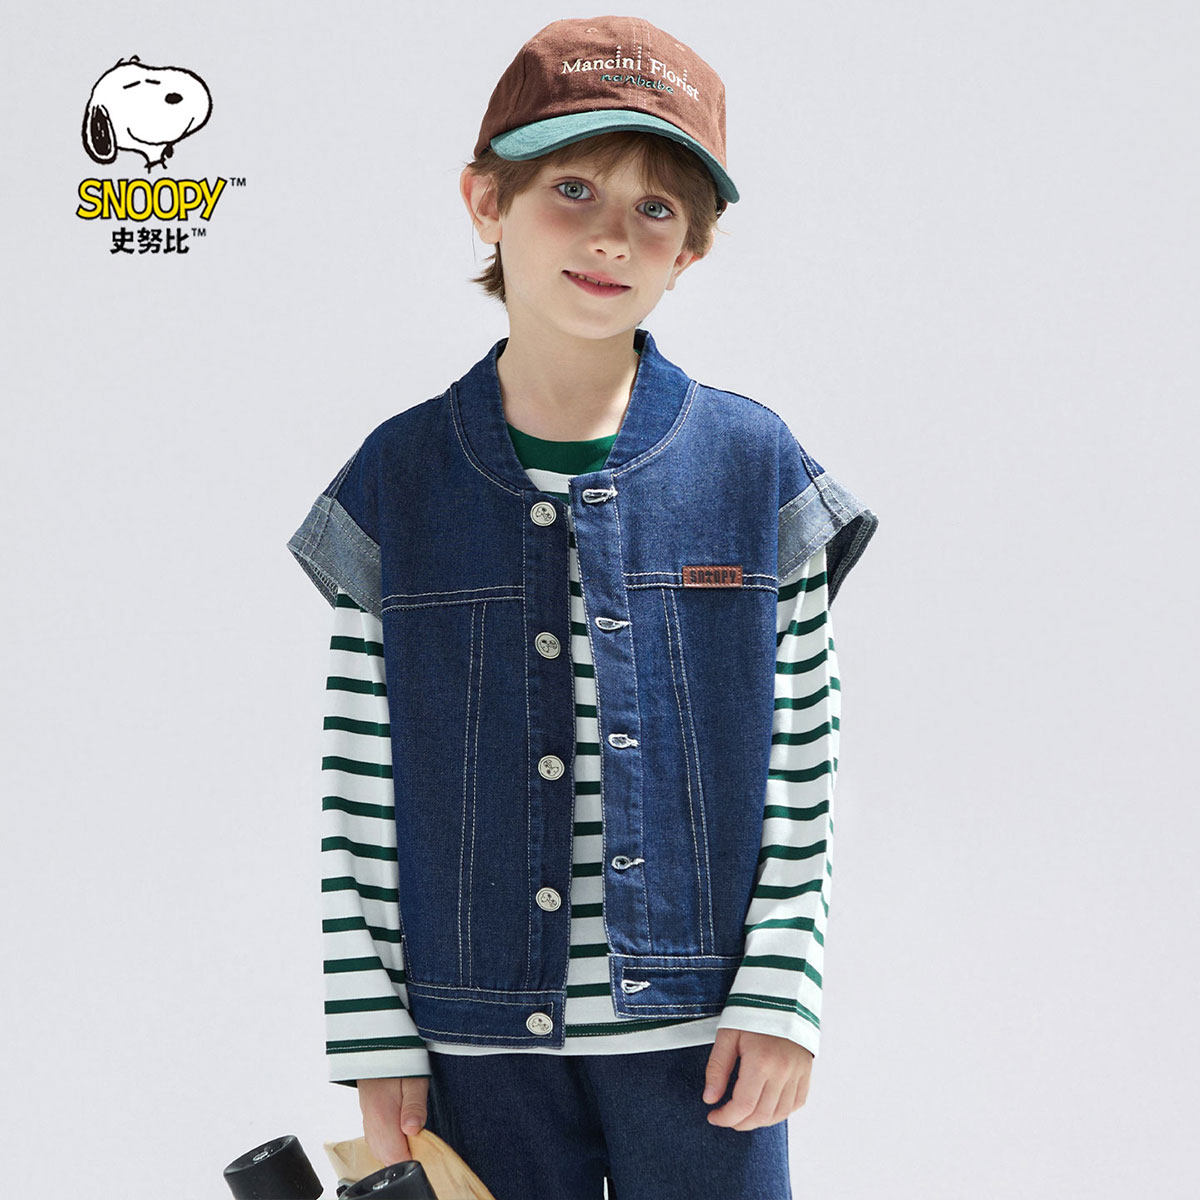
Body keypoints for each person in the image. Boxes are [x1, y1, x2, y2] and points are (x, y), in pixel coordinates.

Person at [287, 15, 879, 1200]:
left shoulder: (754, 468)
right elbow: (358, 777)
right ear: (485, 200)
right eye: (572, 188)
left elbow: (805, 756)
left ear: (691, 251)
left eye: (656, 208)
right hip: (474, 1044)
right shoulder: (401, 479)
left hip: (709, 1042)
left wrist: (782, 994)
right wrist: (376, 1034)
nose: (613, 235)